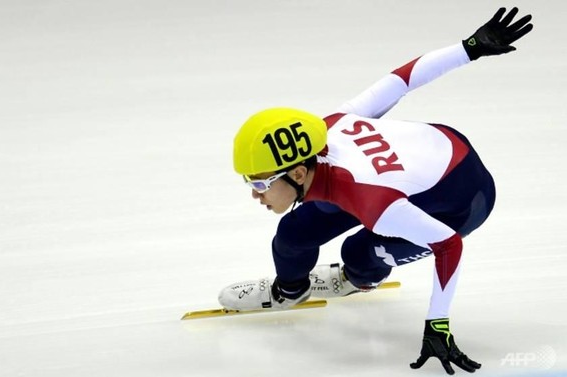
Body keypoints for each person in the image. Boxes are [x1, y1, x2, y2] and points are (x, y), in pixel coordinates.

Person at [218, 7, 533, 375]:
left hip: (462, 199)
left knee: (361, 251)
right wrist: (469, 47)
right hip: (418, 163)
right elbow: (403, 79)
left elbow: (449, 244)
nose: (255, 194)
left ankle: (356, 279)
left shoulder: (373, 201)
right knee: (292, 234)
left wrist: (438, 324)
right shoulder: (330, 127)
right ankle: (290, 291)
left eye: (260, 183)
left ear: (299, 171)